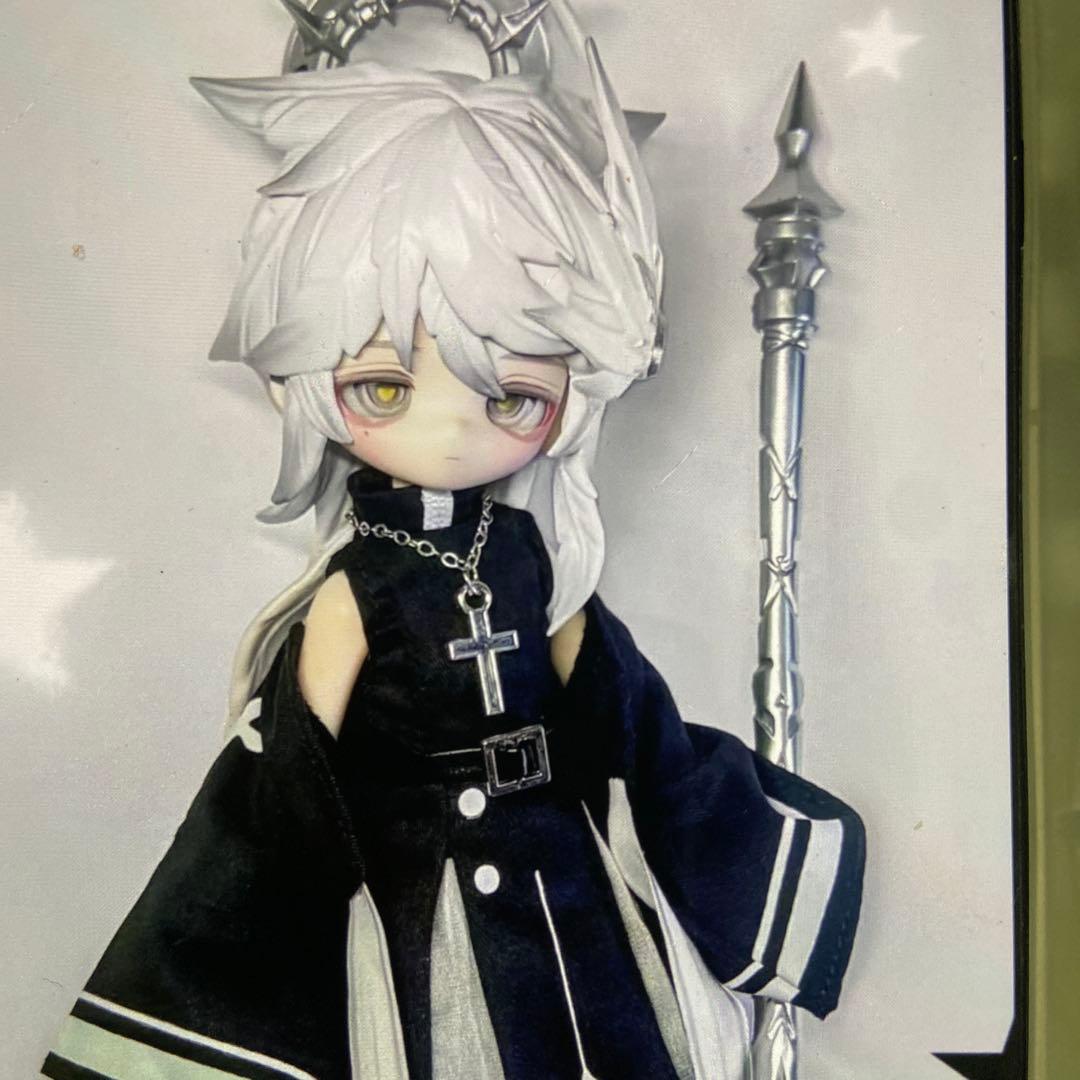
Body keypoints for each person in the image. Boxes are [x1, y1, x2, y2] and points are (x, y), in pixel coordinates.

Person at [42, 8, 864, 1079]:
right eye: (385, 387)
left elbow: (626, 717)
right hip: (429, 904)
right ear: (306, 382)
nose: (447, 429)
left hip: (564, 873)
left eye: (510, 393)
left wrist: (730, 843)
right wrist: (301, 903)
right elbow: (294, 771)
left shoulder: (531, 557)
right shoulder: (358, 590)